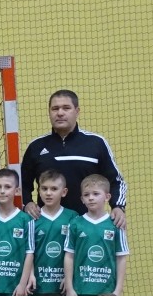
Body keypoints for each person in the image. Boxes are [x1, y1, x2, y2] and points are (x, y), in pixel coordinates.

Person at [21, 89, 127, 228]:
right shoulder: (36, 146)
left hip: (88, 227)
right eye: (55, 108)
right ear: (49, 112)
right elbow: (22, 183)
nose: (60, 113)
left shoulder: (96, 143)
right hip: (48, 229)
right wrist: (27, 203)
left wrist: (118, 206)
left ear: (77, 111)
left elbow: (116, 181)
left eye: (66, 108)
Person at [63, 174, 129, 296]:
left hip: (107, 288)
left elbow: (121, 257)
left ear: (107, 197)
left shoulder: (115, 224)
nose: (91, 198)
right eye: (86, 195)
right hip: (82, 288)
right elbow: (69, 256)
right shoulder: (76, 223)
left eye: (95, 194)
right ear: (82, 199)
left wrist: (118, 290)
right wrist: (70, 288)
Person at [33, 171, 79, 296]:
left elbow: (76, 252)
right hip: (40, 283)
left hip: (64, 285)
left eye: (54, 189)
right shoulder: (32, 218)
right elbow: (28, 252)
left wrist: (69, 278)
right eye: (44, 188)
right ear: (38, 191)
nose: (48, 193)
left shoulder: (72, 217)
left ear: (64, 192)